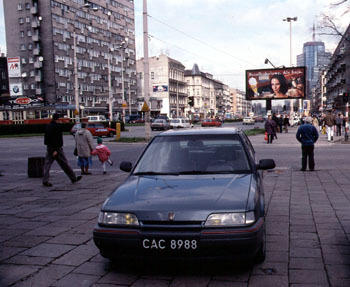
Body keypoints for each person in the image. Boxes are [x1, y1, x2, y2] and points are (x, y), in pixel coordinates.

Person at [42, 113, 82, 187]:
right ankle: (73, 178)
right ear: (58, 119)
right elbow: (56, 139)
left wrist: (50, 148)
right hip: (57, 148)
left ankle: (45, 180)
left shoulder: (48, 126)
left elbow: (47, 138)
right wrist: (55, 150)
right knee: (64, 164)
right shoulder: (57, 127)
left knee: (47, 165)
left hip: (49, 148)